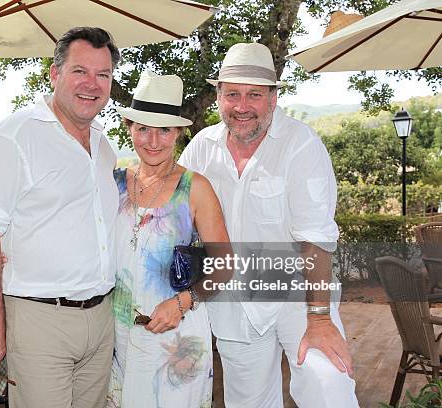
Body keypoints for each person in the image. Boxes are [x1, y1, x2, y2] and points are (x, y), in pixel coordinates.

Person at [178, 43, 360, 407]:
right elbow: (174, 214)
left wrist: (320, 319)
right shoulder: (201, 147)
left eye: (254, 95)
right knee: (248, 403)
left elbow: (316, 239)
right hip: (232, 302)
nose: (242, 106)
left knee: (329, 386)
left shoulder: (300, 144)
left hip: (299, 295)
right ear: (218, 97)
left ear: (273, 99)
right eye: (233, 94)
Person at [0, 27, 121, 408]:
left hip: (101, 320)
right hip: (39, 320)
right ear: (54, 73)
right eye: (80, 71)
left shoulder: (104, 145)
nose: (92, 84)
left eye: (103, 75)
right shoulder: (15, 138)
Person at [107, 70, 231, 408]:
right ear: (129, 128)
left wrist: (181, 303)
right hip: (118, 337)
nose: (152, 140)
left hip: (177, 339)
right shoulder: (112, 183)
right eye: (143, 128)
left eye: (164, 130)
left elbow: (225, 265)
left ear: (177, 132)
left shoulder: (196, 187)